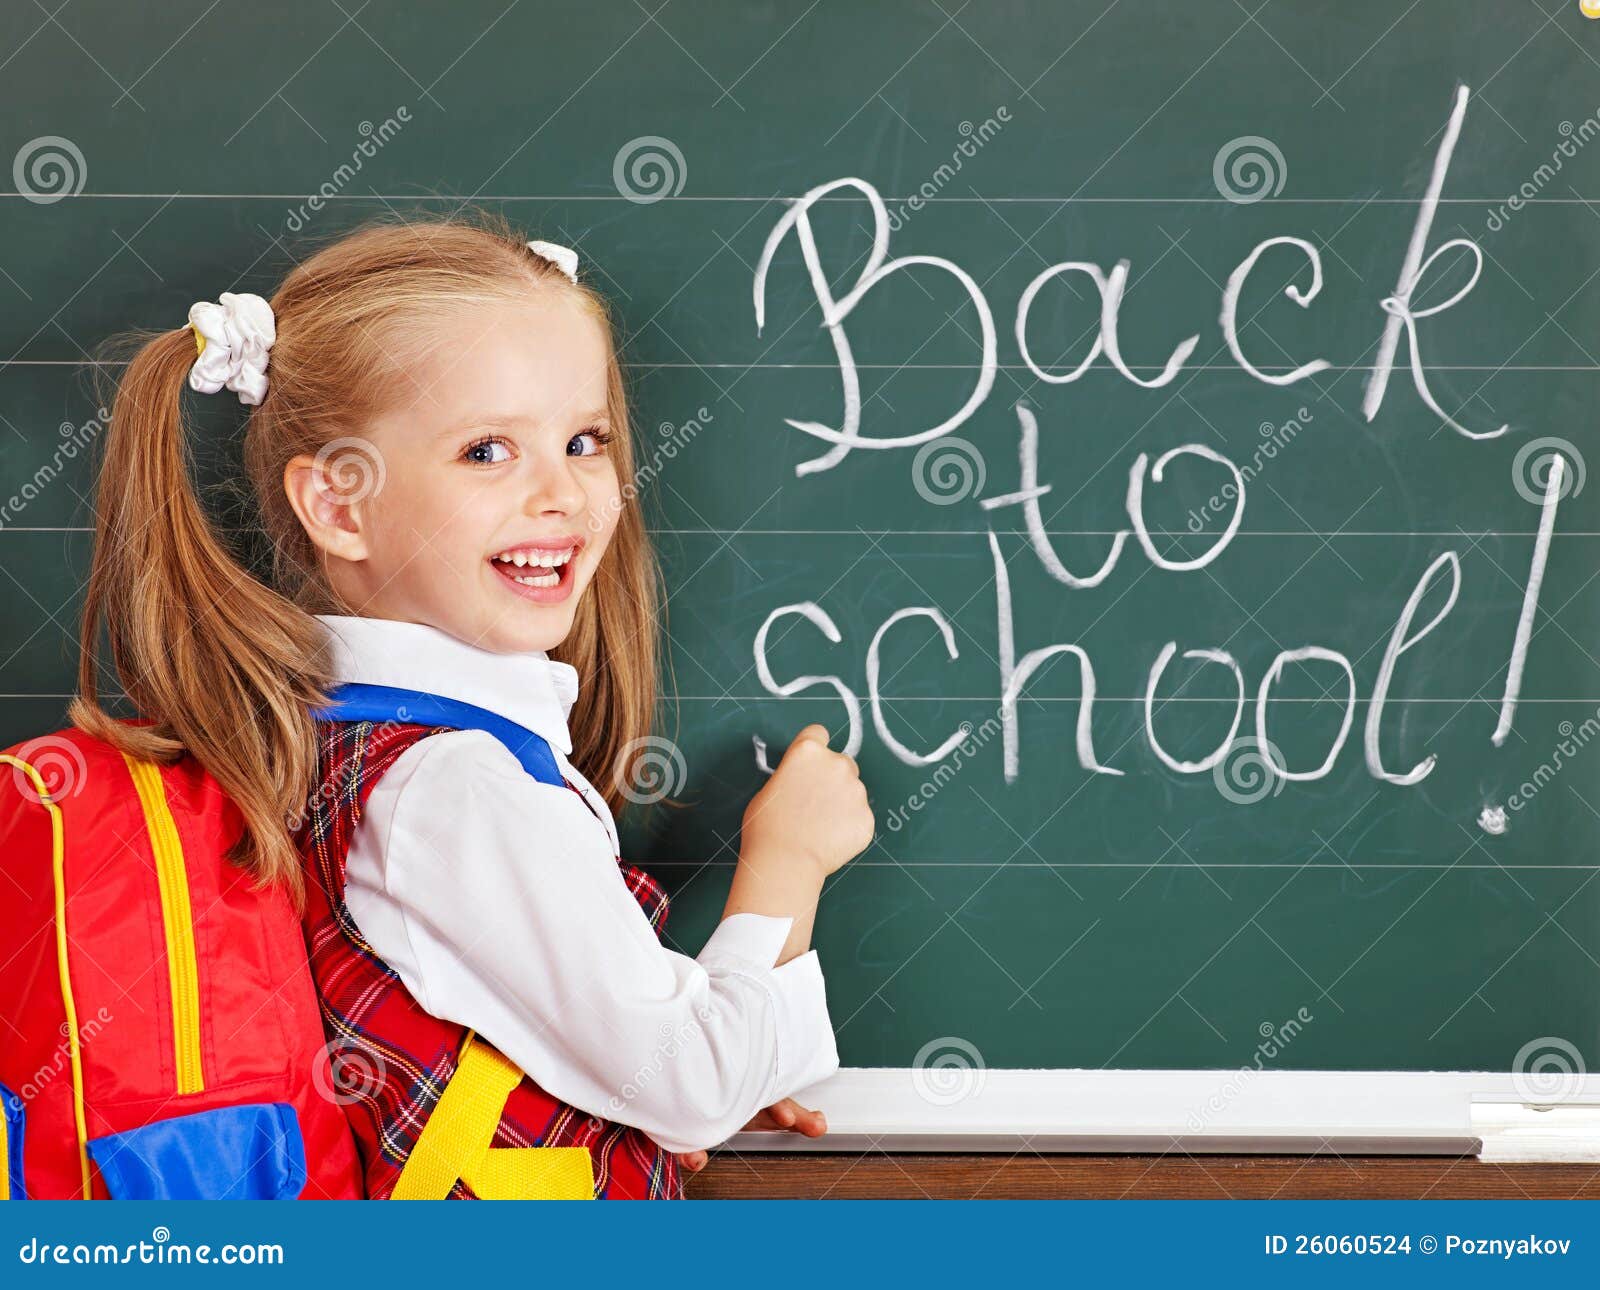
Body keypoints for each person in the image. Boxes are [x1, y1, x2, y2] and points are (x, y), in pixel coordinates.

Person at [71, 213, 875, 1199]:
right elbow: (687, 1083)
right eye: (487, 451)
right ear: (339, 505)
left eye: (584, 441)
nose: (563, 493)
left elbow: (533, 1031)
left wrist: (641, 1082)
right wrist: (787, 859)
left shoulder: (364, 743)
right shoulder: (450, 784)